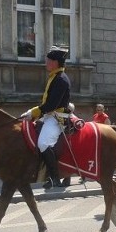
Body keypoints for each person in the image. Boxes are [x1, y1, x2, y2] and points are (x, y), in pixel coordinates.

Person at [21, 46, 71, 189]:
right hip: (49, 115)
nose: (46, 63)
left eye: (48, 60)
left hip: (56, 118)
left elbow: (51, 105)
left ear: (55, 62)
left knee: (43, 144)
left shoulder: (60, 79)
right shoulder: (55, 77)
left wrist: (34, 112)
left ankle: (55, 178)